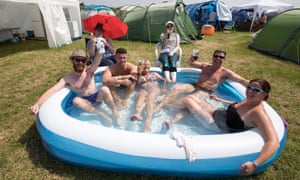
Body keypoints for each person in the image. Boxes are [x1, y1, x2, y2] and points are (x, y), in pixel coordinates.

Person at [164, 79, 279, 175]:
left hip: (215, 124)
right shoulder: (249, 99)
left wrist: (255, 164)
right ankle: (167, 104)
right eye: (249, 87)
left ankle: (165, 106)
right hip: (218, 113)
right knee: (194, 98)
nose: (250, 91)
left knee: (187, 100)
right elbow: (235, 104)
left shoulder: (258, 113)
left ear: (264, 94)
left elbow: (273, 141)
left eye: (256, 90)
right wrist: (220, 100)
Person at [28, 48, 120, 126]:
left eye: (83, 60)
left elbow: (96, 62)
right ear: (72, 60)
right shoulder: (67, 78)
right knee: (76, 100)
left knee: (104, 89)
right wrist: (37, 104)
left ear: (85, 61)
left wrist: (100, 51)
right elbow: (53, 90)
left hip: (97, 98)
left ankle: (114, 111)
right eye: (77, 60)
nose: (80, 62)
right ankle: (101, 114)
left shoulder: (89, 71)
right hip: (86, 103)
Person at [155, 49, 249, 112]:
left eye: (221, 57)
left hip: (205, 91)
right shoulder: (205, 66)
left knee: (187, 100)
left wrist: (255, 87)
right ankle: (159, 107)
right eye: (216, 56)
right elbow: (191, 64)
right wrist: (192, 58)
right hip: (194, 85)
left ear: (224, 59)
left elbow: (241, 80)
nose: (218, 58)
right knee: (177, 89)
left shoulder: (225, 73)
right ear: (212, 57)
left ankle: (167, 106)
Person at [130, 60, 167, 132]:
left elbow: (164, 80)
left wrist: (164, 88)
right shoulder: (140, 75)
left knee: (150, 98)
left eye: (148, 65)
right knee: (141, 95)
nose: (146, 66)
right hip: (144, 90)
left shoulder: (154, 74)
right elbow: (137, 82)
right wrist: (139, 72)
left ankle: (147, 123)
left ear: (150, 66)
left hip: (154, 89)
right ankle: (138, 114)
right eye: (145, 65)